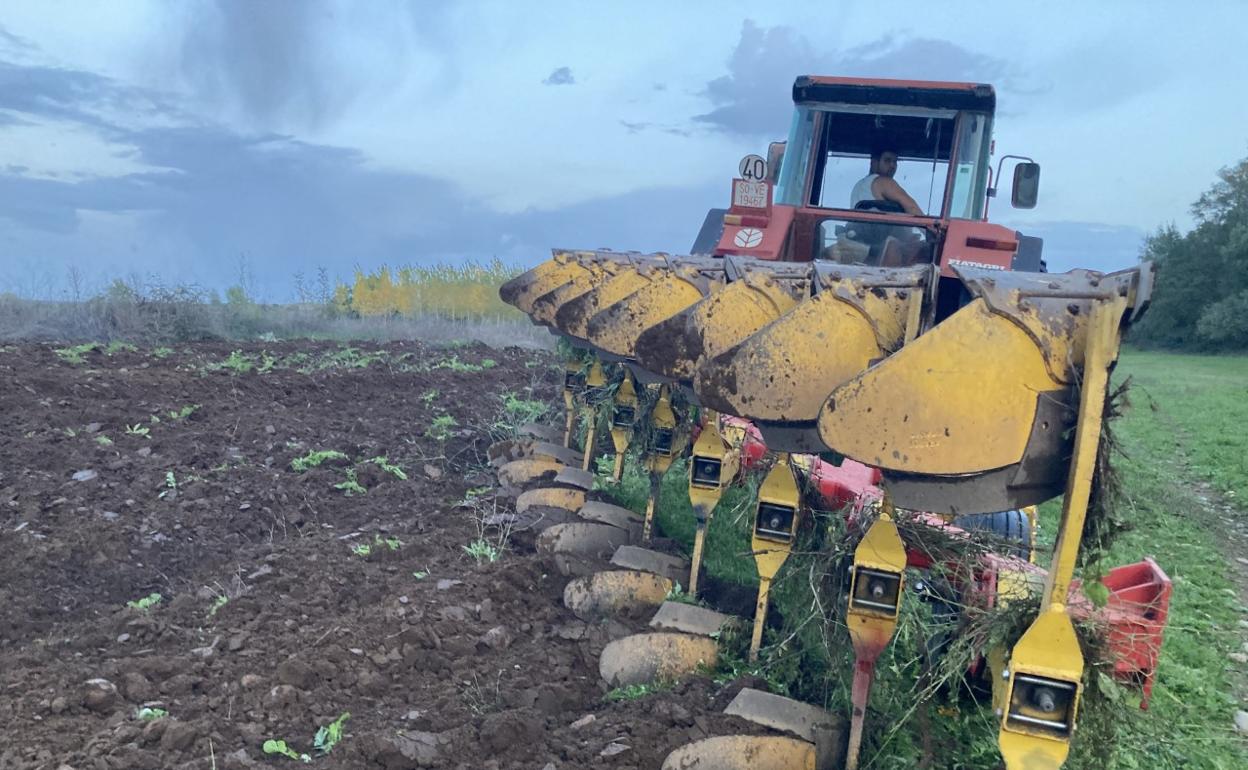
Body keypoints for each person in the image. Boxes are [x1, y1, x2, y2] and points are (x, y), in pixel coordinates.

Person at [849, 147, 924, 216]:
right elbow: (912, 208)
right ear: (874, 163)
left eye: (895, 162)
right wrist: (930, 228)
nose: (892, 165)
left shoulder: (858, 187)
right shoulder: (883, 181)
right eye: (887, 160)